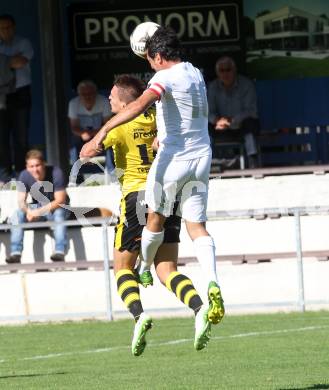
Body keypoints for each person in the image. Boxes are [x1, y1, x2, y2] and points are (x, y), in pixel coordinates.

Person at [82, 26, 225, 342]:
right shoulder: (195, 75)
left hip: (142, 191)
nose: (108, 99)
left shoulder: (148, 96)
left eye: (111, 97)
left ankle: (139, 314)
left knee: (123, 267)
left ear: (159, 56)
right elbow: (159, 113)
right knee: (172, 265)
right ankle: (201, 304)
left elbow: (136, 106)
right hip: (199, 160)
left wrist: (98, 135)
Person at [6, 149, 70, 264]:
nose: (35, 169)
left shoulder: (56, 172)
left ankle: (59, 251)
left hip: (58, 208)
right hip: (39, 208)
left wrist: (38, 212)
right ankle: (16, 253)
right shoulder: (24, 175)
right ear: (27, 166)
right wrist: (29, 212)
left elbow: (60, 200)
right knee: (17, 214)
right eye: (31, 166)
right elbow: (21, 201)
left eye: (37, 165)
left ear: (43, 164)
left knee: (59, 213)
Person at [207, 56, 260, 168]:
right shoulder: (212, 87)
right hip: (220, 127)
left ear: (234, 70)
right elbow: (207, 112)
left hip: (241, 125)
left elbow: (251, 111)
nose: (225, 73)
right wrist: (217, 121)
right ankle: (208, 163)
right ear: (217, 72)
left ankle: (253, 161)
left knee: (251, 124)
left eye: (228, 69)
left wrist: (232, 120)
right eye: (222, 70)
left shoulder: (246, 84)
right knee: (205, 126)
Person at [0, 14, 34, 182]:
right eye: (2, 28)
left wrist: (2, 61)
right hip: (1, 94)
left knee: (21, 137)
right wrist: (9, 61)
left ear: (13, 28)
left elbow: (20, 62)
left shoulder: (23, 43)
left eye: (8, 27)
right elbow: (13, 61)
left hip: (21, 92)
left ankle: (21, 175)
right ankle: (5, 175)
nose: (5, 31)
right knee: (2, 136)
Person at [68, 79, 113, 184]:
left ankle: (112, 173)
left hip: (100, 134)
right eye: (84, 94)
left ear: (95, 93)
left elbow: (108, 125)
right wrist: (82, 134)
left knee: (111, 139)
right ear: (79, 94)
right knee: (73, 142)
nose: (87, 96)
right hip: (81, 136)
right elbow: (73, 127)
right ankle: (75, 176)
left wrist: (94, 136)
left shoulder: (104, 101)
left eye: (90, 93)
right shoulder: (73, 103)